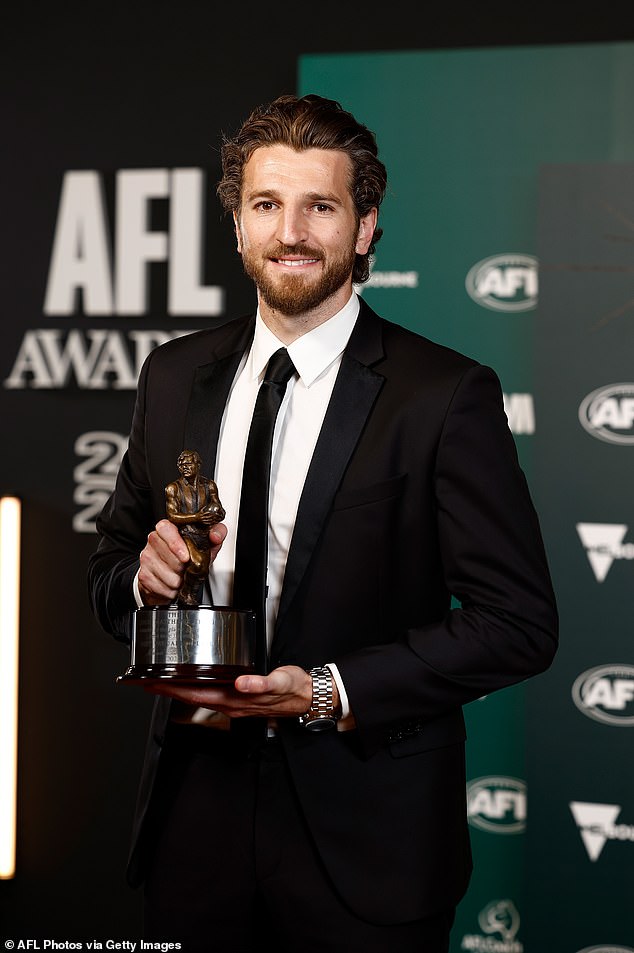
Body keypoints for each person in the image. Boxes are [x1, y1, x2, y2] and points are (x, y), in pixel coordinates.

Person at [88, 94, 558, 953]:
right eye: (266, 205)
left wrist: (333, 690)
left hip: (367, 834)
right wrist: (142, 578)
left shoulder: (443, 395)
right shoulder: (172, 374)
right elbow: (111, 569)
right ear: (236, 226)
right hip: (194, 823)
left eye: (321, 205)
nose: (291, 232)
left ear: (366, 227)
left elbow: (519, 624)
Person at [164, 449, 225, 606]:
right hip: (186, 534)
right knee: (197, 564)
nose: (184, 467)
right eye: (181, 465)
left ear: (198, 465)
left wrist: (217, 515)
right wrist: (197, 517)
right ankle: (185, 594)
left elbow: (220, 508)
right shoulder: (173, 488)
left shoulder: (209, 485)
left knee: (203, 570)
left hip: (204, 534)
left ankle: (187, 594)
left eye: (188, 464)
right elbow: (172, 516)